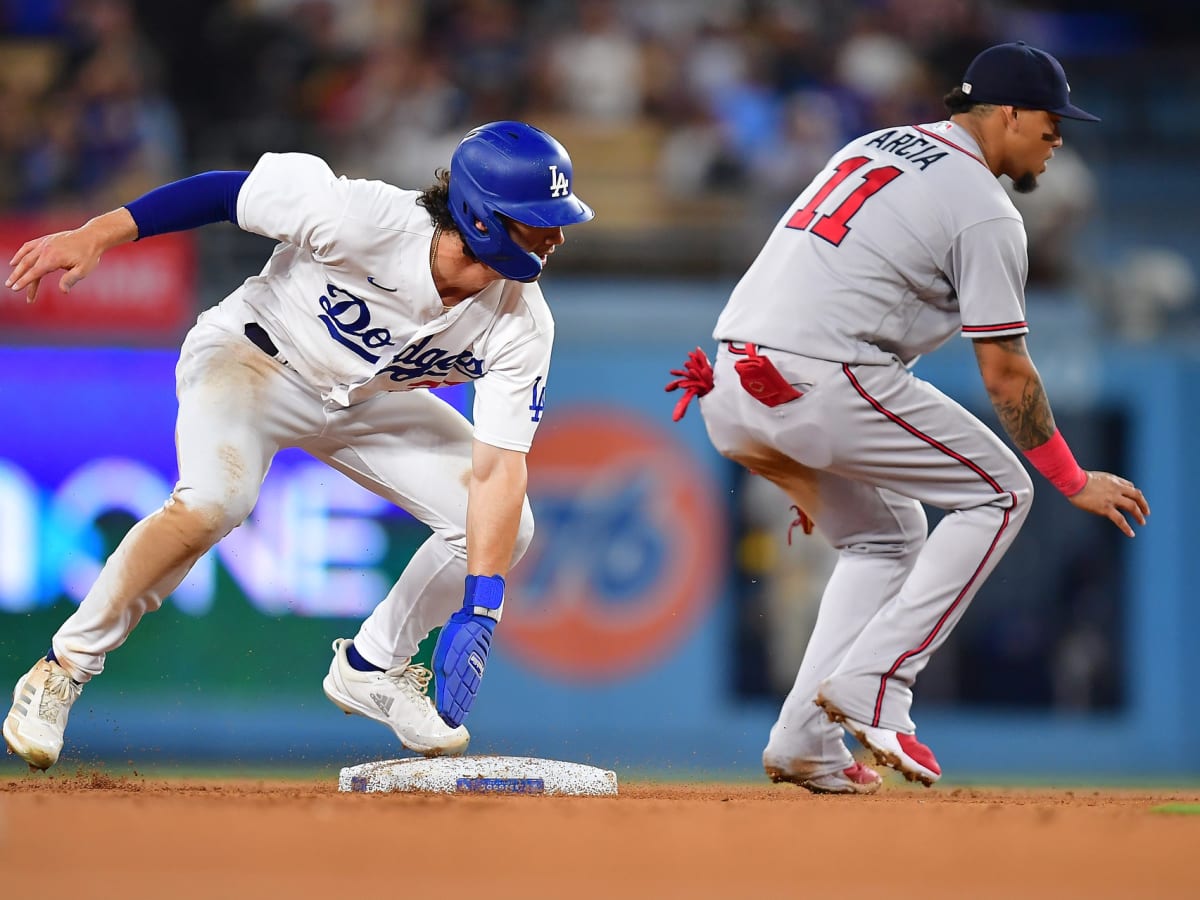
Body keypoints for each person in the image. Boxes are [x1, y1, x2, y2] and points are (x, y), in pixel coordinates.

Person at [3, 120, 594, 770]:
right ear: (483, 219)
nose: (557, 235)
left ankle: (374, 666)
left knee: (505, 528)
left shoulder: (523, 321)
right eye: (539, 220)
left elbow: (499, 469)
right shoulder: (362, 218)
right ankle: (59, 671)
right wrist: (96, 233)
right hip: (254, 362)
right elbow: (225, 193)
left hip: (365, 403)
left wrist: (482, 605)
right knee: (212, 504)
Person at [666, 42, 1149, 794]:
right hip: (817, 380)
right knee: (1002, 492)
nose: (1058, 140)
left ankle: (803, 741)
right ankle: (881, 682)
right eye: (1050, 125)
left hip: (729, 384)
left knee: (886, 537)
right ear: (1009, 114)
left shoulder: (876, 144)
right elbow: (1006, 370)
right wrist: (1071, 476)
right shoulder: (987, 210)